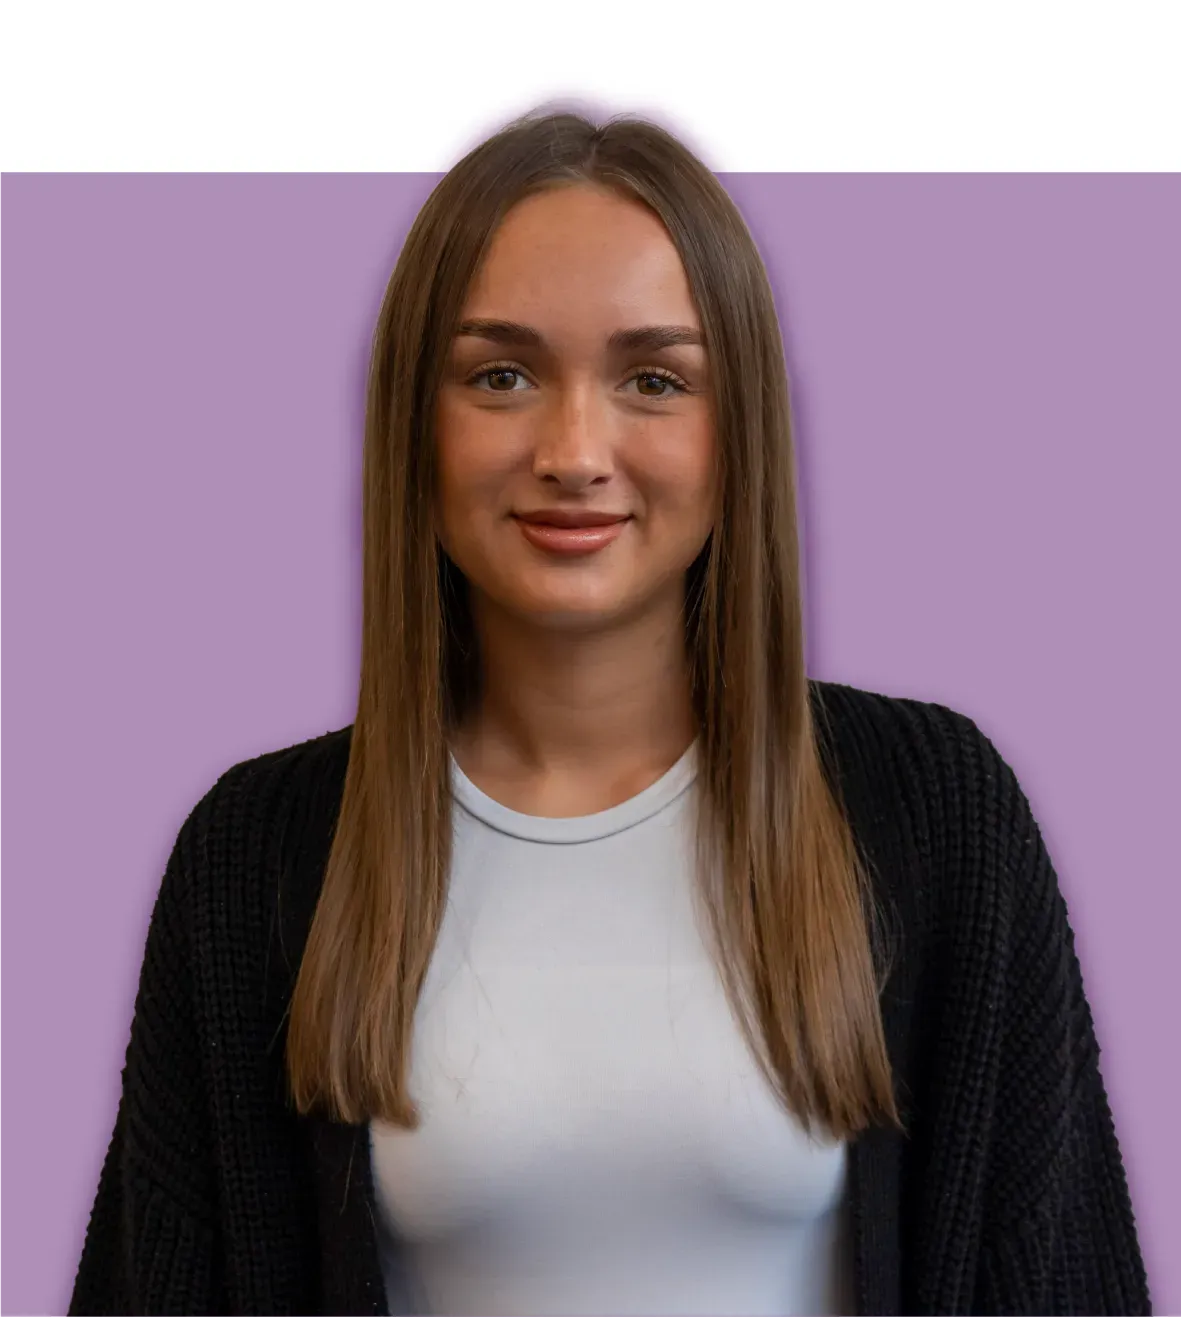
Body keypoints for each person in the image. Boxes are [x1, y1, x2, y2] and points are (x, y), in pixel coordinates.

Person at [68, 106, 1151, 1317]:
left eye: (651, 378)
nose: (573, 449)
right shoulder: (255, 856)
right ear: (411, 426)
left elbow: (1063, 1281)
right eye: (500, 374)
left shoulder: (940, 815)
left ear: (735, 429)